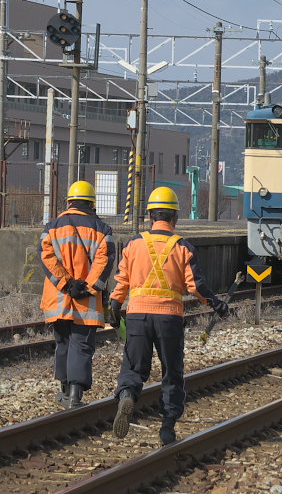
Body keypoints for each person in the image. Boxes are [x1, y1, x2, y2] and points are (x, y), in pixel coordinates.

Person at [110, 187, 228, 445]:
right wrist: (216, 303)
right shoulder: (183, 247)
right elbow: (196, 286)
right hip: (169, 319)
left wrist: (114, 305)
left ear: (151, 215)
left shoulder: (133, 244)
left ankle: (128, 394)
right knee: (171, 372)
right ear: (174, 217)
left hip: (138, 316)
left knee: (133, 367)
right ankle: (167, 427)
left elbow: (122, 281)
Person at [39, 180, 115, 408]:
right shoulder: (102, 229)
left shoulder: (52, 226)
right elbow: (104, 261)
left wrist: (66, 284)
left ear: (70, 202)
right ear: (92, 203)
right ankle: (75, 396)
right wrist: (86, 287)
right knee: (81, 344)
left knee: (63, 342)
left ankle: (63, 393)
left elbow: (46, 256)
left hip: (58, 298)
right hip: (86, 301)